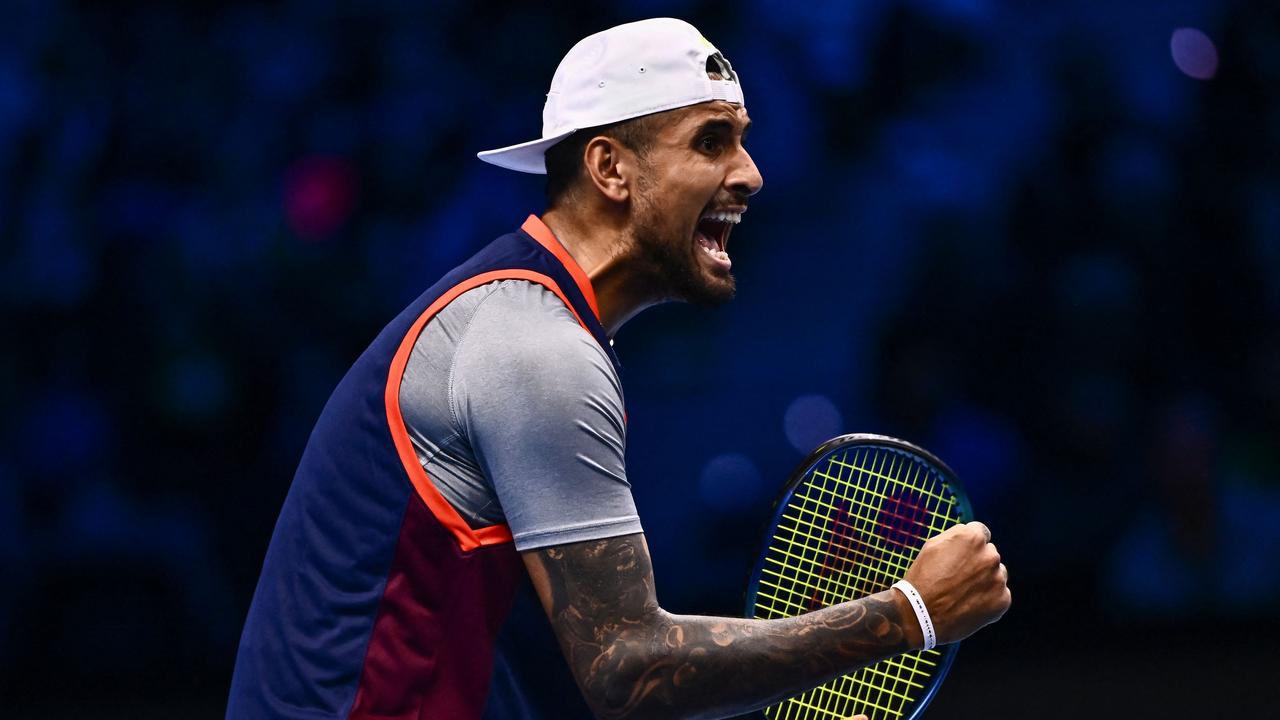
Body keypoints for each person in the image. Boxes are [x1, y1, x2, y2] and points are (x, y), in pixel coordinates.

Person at [226, 17, 1010, 720]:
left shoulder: (528, 320)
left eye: (741, 139)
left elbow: (467, 642)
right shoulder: (534, 349)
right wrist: (911, 613)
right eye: (711, 141)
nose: (750, 174)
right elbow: (629, 671)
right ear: (609, 168)